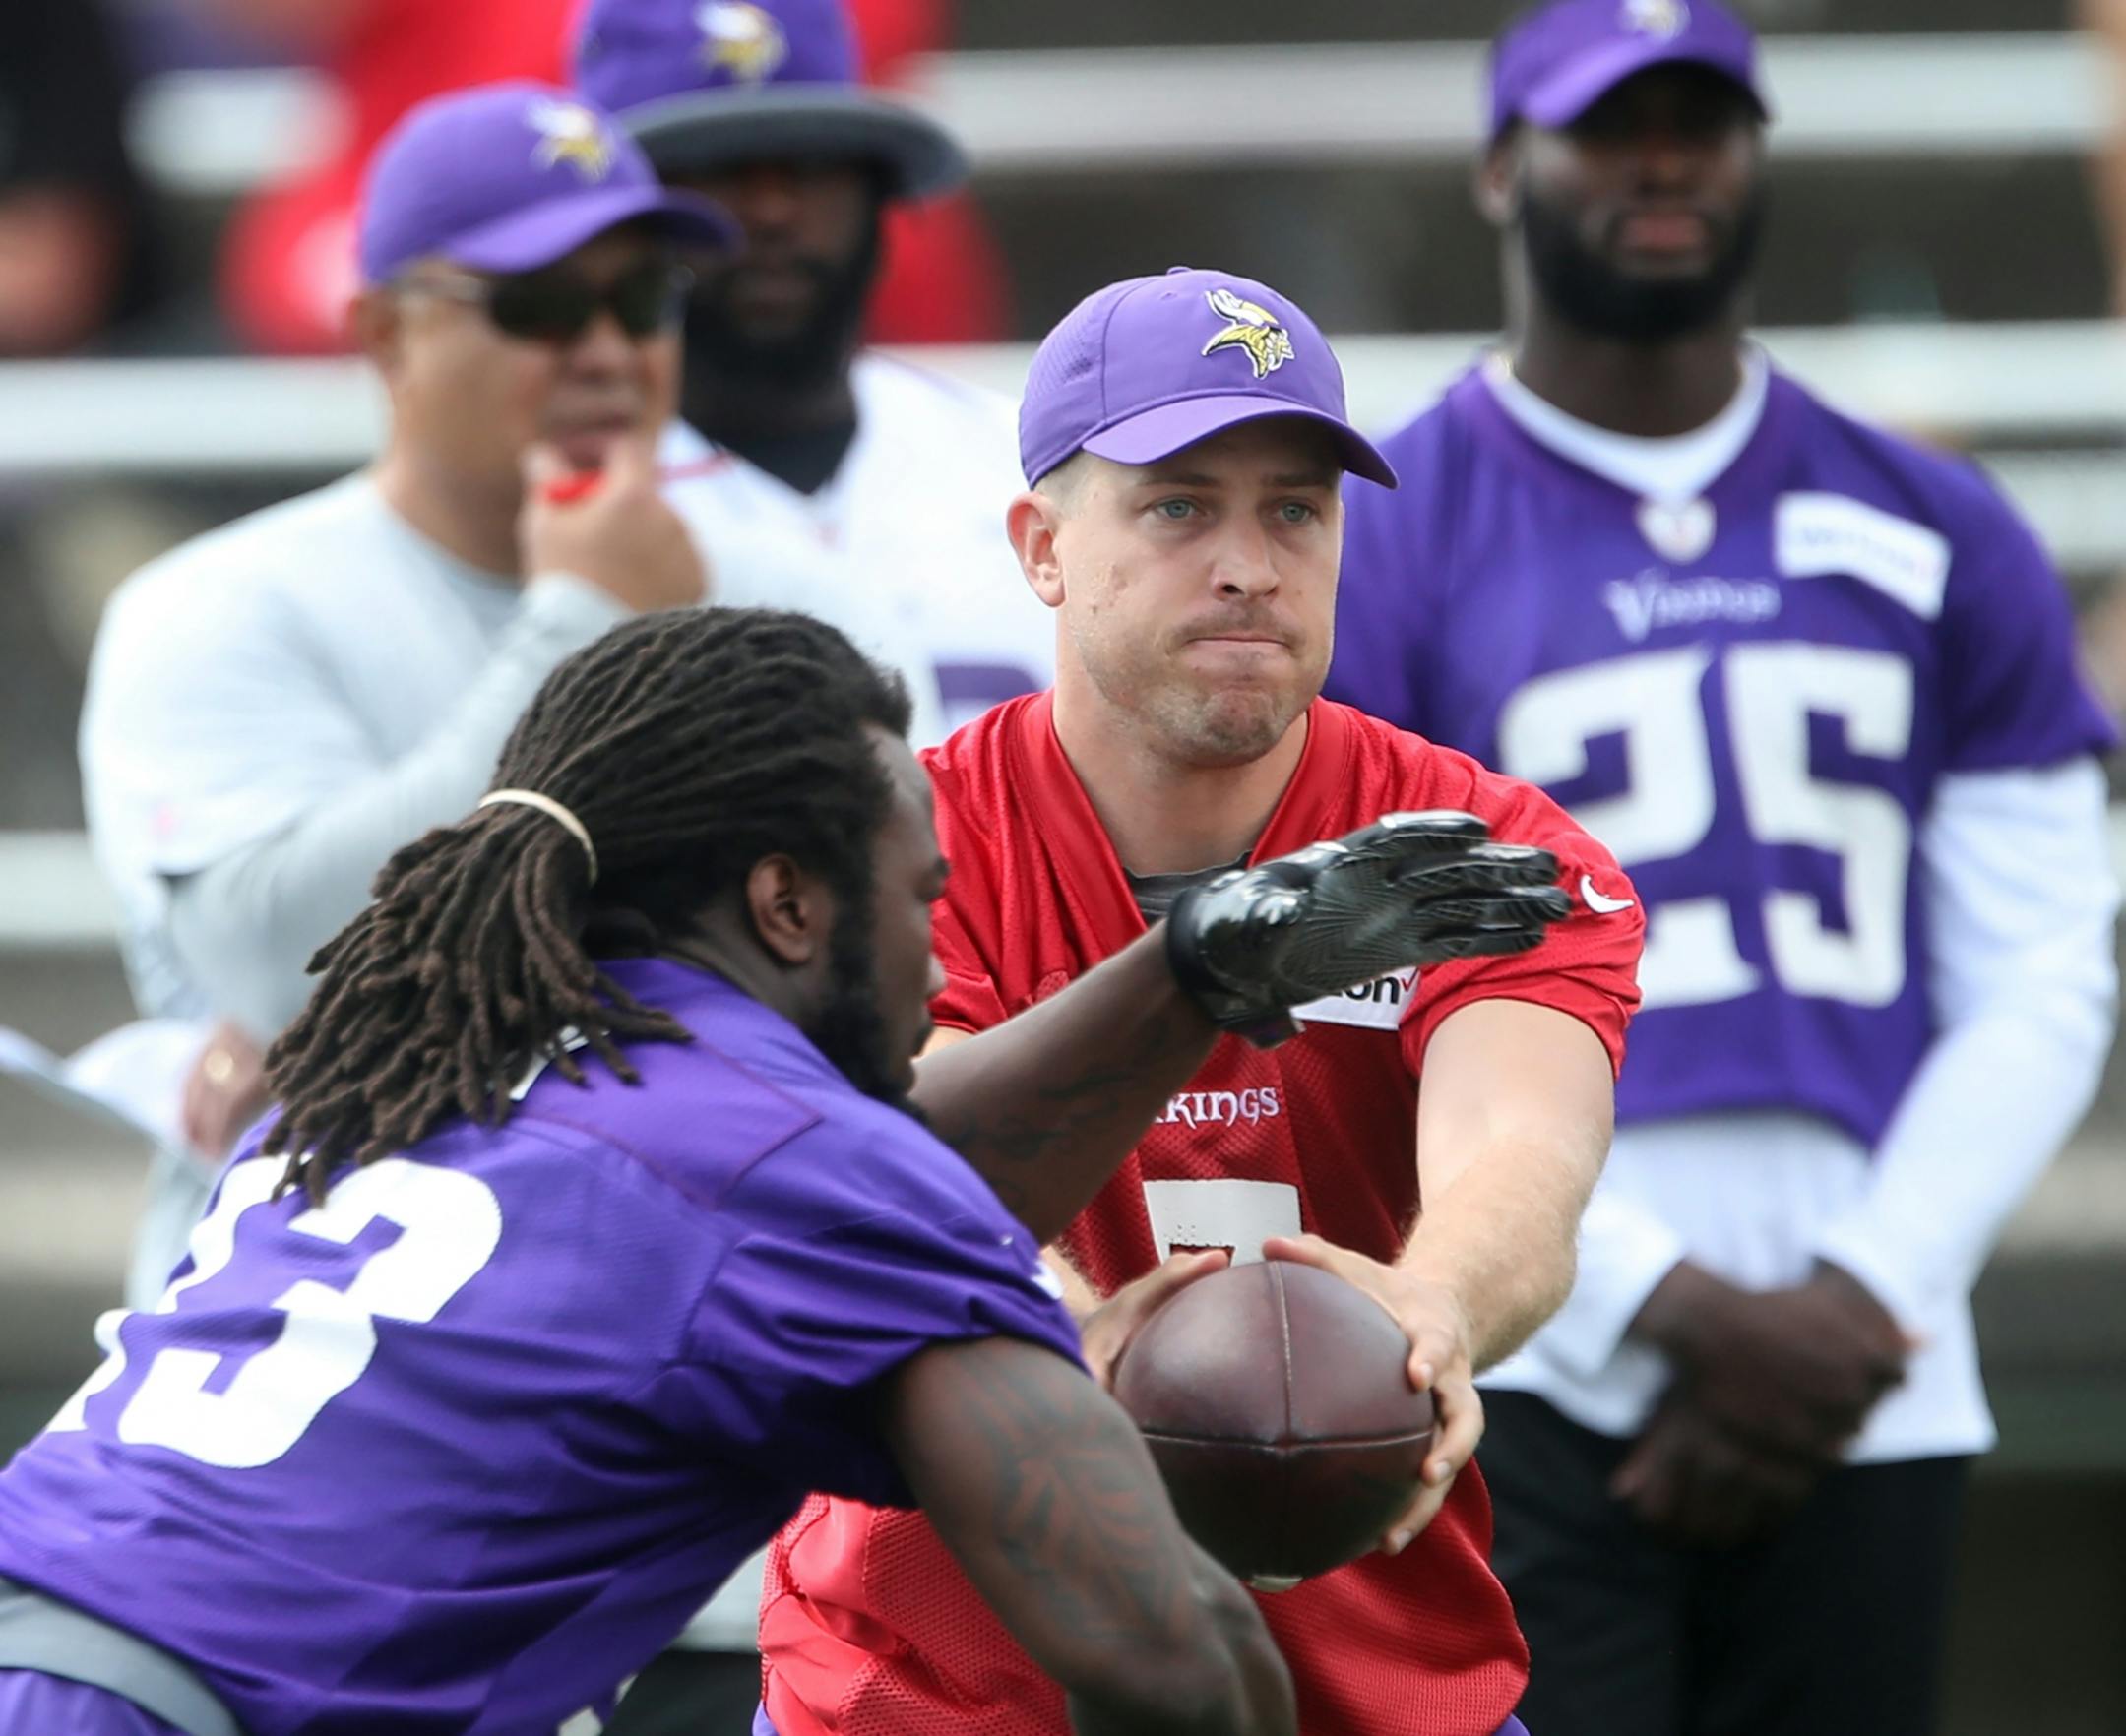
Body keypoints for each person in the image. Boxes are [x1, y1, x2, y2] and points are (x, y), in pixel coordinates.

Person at [0, 606, 1323, 1736]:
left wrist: (1176, 975)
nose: (937, 960)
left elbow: (738, 1195)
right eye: (922, 898)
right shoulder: (795, 1161)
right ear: (785, 905)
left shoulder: (404, 1069)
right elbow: (1171, 1659)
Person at [1324, 5, 2123, 1734]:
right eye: (1610, 125)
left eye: (1702, 120)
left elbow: (2050, 961)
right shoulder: (1388, 523)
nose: (1663, 162)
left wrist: (1861, 1298)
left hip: (1878, 1355)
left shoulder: (1933, 520)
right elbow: (1345, 973)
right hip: (1522, 1343)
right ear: (1499, 165)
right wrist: (1666, 1305)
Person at [756, 267, 1647, 1736]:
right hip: (932, 1691)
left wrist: (1431, 1307)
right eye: (1179, 506)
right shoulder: (888, 849)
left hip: (1358, 1683)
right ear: (1041, 548)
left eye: (1294, 508)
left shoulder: (1489, 847)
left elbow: (1523, 1156)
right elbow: (926, 1163)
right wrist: (1070, 1342)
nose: (1249, 562)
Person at [76, 82, 941, 1309]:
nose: (604, 348)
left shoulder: (784, 585)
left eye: (642, 297)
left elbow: (915, 935)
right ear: (386, 335)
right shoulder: (218, 604)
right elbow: (283, 963)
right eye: (538, 304)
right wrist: (581, 625)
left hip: (706, 1281)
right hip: (321, 1307)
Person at [572, 0, 1054, 732]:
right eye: (714, 167)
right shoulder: (518, 516)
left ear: (876, 189)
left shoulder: (1029, 464)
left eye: (812, 162)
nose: (771, 211)